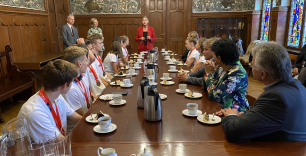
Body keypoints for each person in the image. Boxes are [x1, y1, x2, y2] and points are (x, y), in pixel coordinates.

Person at [217, 42, 306, 143]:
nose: (252, 68)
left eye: (252, 65)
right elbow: (272, 117)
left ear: (262, 74)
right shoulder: (299, 87)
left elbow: (234, 133)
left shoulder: (276, 97)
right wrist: (247, 117)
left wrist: (231, 115)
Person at [17, 59, 82, 143]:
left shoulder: (57, 96)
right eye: (72, 81)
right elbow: (61, 142)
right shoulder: (35, 112)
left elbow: (77, 118)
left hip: (55, 146)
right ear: (64, 85)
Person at [204, 38, 249, 113]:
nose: (212, 58)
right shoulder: (223, 66)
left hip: (235, 114)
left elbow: (213, 95)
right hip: (220, 108)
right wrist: (211, 70)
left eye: (214, 55)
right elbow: (206, 85)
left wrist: (208, 74)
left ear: (219, 58)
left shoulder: (238, 73)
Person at [62, 46, 96, 132]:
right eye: (86, 60)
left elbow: (89, 100)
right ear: (79, 64)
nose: (88, 63)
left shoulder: (82, 77)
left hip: (88, 119)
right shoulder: (70, 88)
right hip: (78, 130)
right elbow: (81, 116)